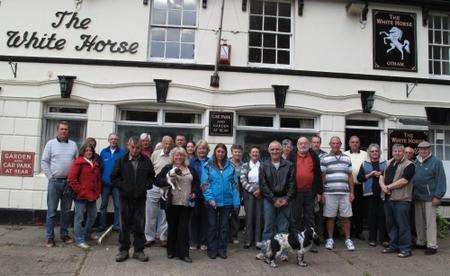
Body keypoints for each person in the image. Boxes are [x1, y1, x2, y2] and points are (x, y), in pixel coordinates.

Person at [112, 137, 155, 262]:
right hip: (125, 198)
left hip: (140, 198)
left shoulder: (146, 160)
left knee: (139, 225)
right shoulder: (121, 160)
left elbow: (151, 176)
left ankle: (138, 250)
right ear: (128, 146)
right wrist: (124, 187)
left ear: (141, 148)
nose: (135, 150)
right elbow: (114, 178)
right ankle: (123, 250)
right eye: (133, 147)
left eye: (137, 147)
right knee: (124, 225)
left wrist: (146, 186)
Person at [157, 147, 198, 263]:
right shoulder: (168, 168)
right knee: (173, 227)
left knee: (184, 229)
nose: (178, 157)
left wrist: (194, 192)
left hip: (186, 203)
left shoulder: (191, 169)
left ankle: (184, 254)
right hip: (172, 203)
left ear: (184, 157)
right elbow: (157, 181)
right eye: (176, 155)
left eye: (181, 155)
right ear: (172, 157)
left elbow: (196, 183)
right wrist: (167, 182)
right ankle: (171, 251)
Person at [41, 121, 78, 247]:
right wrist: (50, 177)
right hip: (55, 182)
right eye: (61, 129)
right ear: (57, 130)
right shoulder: (50, 144)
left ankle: (64, 234)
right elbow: (44, 162)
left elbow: (76, 163)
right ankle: (49, 237)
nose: (64, 131)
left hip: (68, 183)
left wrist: (73, 179)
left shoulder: (73, 145)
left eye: (66, 129)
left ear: (68, 131)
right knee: (51, 212)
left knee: (66, 211)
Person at [201, 143, 240, 259]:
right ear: (215, 152)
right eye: (218, 151)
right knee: (212, 226)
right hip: (212, 202)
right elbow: (204, 184)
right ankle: (212, 249)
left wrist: (236, 202)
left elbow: (235, 186)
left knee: (224, 227)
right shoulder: (208, 165)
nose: (220, 154)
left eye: (222, 152)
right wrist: (210, 199)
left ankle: (222, 249)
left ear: (225, 153)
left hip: (227, 202)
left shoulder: (231, 167)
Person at [380, 144, 415, 258]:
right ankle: (393, 245)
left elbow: (404, 181)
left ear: (404, 152)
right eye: (395, 151)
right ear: (392, 152)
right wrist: (383, 187)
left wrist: (388, 187)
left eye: (400, 151)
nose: (397, 153)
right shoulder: (388, 162)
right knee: (391, 225)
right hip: (388, 199)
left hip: (402, 200)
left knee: (403, 225)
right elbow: (381, 176)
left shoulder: (409, 165)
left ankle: (405, 249)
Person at [412, 141, 447, 255]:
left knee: (430, 222)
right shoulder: (416, 162)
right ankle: (421, 242)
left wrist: (438, 196)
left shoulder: (436, 162)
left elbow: (441, 180)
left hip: (430, 197)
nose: (423, 151)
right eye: (421, 149)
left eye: (426, 149)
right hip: (417, 196)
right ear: (418, 150)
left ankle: (432, 245)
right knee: (419, 222)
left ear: (429, 149)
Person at [321, 136, 355, 251]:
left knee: (346, 217)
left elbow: (350, 176)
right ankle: (330, 239)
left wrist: (352, 192)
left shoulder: (347, 158)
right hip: (329, 193)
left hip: (345, 193)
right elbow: (322, 177)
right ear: (330, 144)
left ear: (340, 144)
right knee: (330, 217)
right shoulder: (324, 158)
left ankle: (348, 239)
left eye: (337, 143)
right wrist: (322, 192)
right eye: (333, 143)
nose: (335, 145)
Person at [259, 141, 296, 246]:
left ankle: (283, 252)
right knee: (268, 226)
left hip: (285, 199)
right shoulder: (263, 165)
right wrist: (273, 199)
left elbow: (292, 184)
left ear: (281, 150)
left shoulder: (289, 165)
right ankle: (266, 251)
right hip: (269, 200)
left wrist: (286, 199)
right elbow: (263, 185)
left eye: (277, 149)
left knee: (283, 228)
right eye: (272, 149)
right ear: (269, 151)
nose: (275, 151)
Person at [68, 143, 102, 250]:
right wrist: (80, 191)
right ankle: (79, 239)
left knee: (93, 215)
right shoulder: (79, 162)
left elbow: (97, 180)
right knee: (79, 218)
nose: (89, 152)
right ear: (83, 152)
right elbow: (72, 179)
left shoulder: (94, 163)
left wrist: (97, 192)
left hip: (92, 196)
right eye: (87, 150)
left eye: (90, 151)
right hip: (81, 196)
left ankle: (86, 234)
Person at [357, 143, 388, 247]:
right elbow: (359, 178)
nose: (374, 153)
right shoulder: (365, 164)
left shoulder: (385, 163)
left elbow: (390, 177)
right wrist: (371, 174)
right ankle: (372, 239)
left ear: (379, 152)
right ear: (369, 153)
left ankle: (383, 239)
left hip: (383, 194)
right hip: (369, 194)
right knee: (371, 217)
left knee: (382, 216)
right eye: (372, 151)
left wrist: (381, 174)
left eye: (376, 151)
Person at [292, 137, 323, 239]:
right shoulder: (292, 156)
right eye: (300, 143)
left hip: (310, 192)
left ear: (309, 145)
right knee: (296, 217)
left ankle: (309, 241)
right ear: (297, 145)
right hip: (296, 193)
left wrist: (319, 192)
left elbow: (318, 175)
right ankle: (296, 240)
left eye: (305, 143)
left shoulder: (314, 156)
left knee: (309, 217)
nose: (303, 145)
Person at [146, 136, 173, 247]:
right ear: (162, 143)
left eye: (169, 144)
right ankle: (149, 237)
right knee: (150, 213)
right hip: (154, 187)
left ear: (172, 145)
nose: (167, 146)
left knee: (164, 214)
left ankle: (163, 237)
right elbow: (150, 169)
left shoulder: (173, 155)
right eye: (165, 143)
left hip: (167, 188)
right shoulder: (155, 154)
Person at [99, 133, 126, 232]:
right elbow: (100, 168)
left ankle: (117, 226)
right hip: (105, 184)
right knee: (103, 206)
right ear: (108, 140)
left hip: (116, 185)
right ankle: (102, 225)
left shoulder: (122, 153)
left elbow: (124, 169)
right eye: (111, 139)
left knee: (118, 206)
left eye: (115, 139)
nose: (113, 141)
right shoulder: (103, 152)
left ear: (117, 140)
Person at [344, 136, 367, 241]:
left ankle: (359, 231)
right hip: (347, 186)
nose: (354, 144)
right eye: (352, 142)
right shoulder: (345, 154)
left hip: (361, 186)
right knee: (348, 209)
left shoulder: (365, 154)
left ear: (359, 143)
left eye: (357, 142)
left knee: (360, 210)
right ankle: (349, 231)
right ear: (349, 144)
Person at [189, 139, 210, 251]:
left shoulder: (211, 161)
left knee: (205, 218)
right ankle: (193, 241)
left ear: (207, 150)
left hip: (207, 194)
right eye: (200, 148)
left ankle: (203, 242)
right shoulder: (191, 162)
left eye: (204, 148)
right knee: (193, 218)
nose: (202, 150)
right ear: (196, 150)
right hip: (194, 193)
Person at [240, 146, 263, 249]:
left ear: (259, 154)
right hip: (249, 193)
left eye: (257, 152)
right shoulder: (245, 165)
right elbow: (243, 180)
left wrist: (260, 190)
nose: (255, 154)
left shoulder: (263, 165)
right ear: (249, 154)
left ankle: (258, 241)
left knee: (259, 217)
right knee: (249, 217)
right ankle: (248, 241)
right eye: (253, 152)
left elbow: (266, 179)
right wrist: (253, 190)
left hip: (261, 193)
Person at [310, 134, 327, 242]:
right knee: (309, 214)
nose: (316, 144)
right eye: (314, 142)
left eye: (318, 142)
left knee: (319, 214)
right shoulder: (307, 154)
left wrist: (322, 191)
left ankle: (320, 235)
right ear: (311, 143)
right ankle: (310, 236)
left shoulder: (325, 156)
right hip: (309, 189)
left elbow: (325, 173)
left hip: (321, 188)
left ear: (320, 143)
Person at [229, 144, 243, 244]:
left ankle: (234, 236)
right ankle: (224, 236)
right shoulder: (226, 163)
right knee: (224, 215)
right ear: (232, 152)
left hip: (237, 193)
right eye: (235, 151)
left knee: (235, 215)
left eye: (239, 152)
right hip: (226, 193)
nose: (237, 153)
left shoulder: (244, 165)